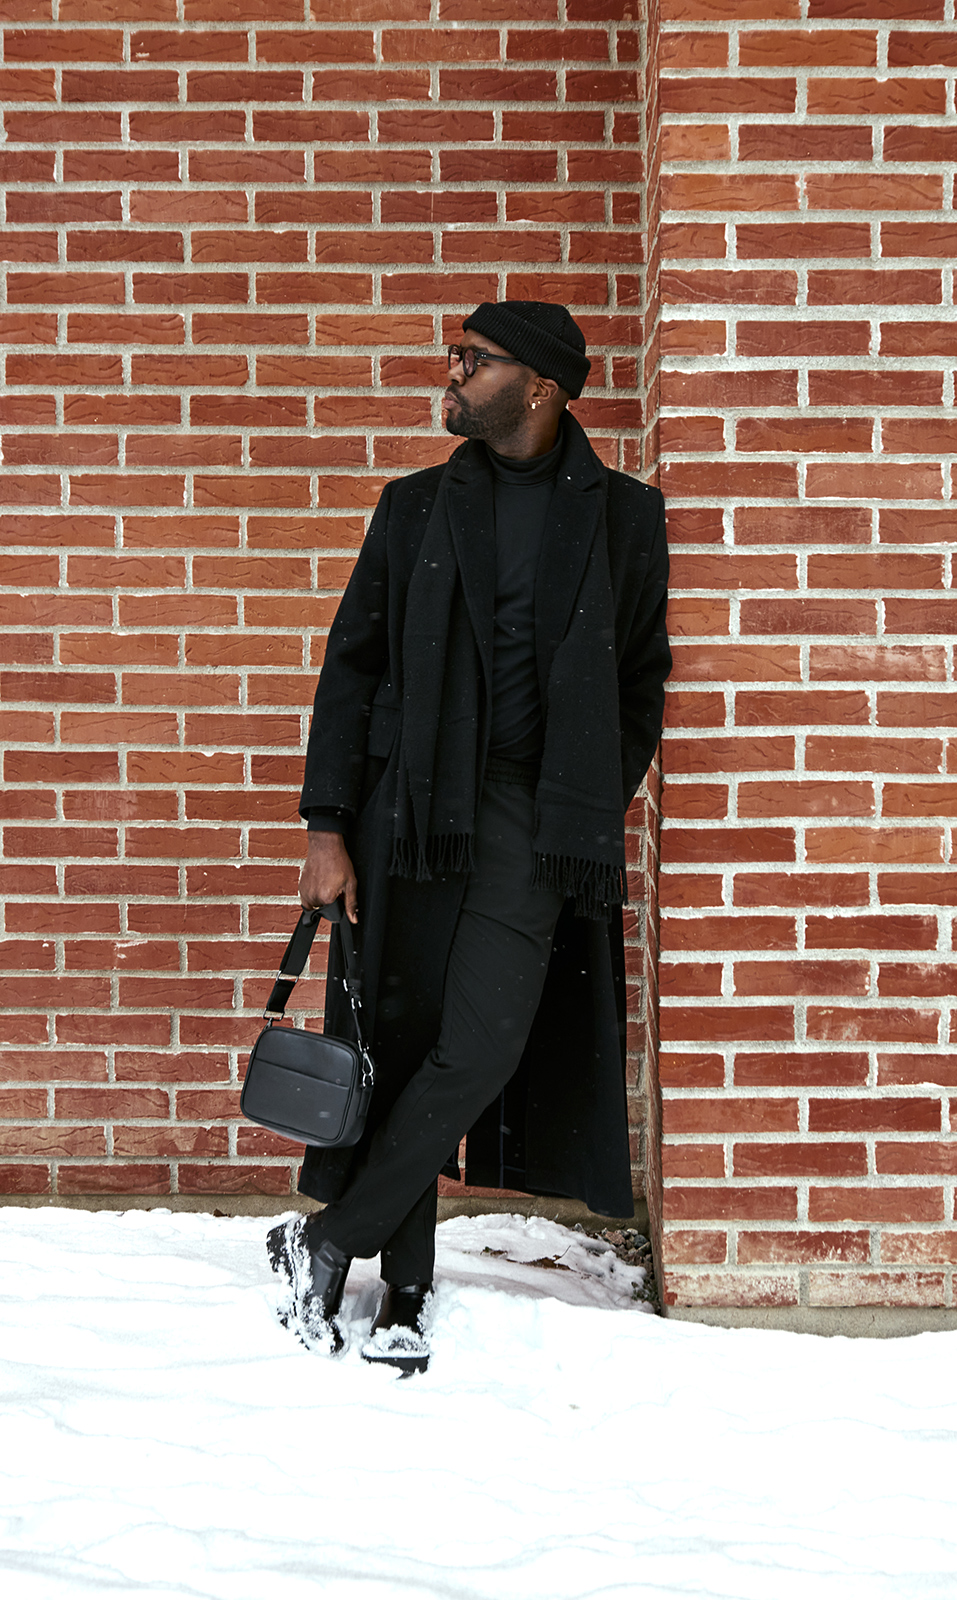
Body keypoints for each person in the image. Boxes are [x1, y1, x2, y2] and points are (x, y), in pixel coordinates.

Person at [266, 301, 671, 1369]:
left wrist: (593, 791)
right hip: (411, 808)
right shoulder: (414, 508)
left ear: (538, 385)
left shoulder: (623, 519)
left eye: (473, 360)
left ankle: (328, 1237)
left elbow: (637, 682)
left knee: (480, 1045)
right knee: (396, 1040)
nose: (451, 374)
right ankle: (403, 1284)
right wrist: (326, 828)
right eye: (457, 355)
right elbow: (349, 669)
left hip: (535, 824)